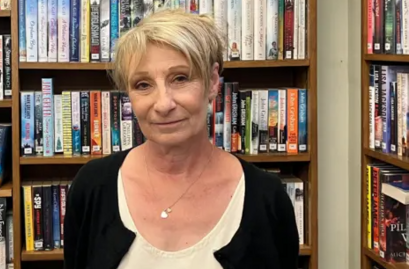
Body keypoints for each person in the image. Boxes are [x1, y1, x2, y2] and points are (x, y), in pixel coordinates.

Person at [64, 9, 299, 269]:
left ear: (212, 82)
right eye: (143, 85)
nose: (163, 104)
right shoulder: (91, 188)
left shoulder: (268, 198)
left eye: (180, 78)